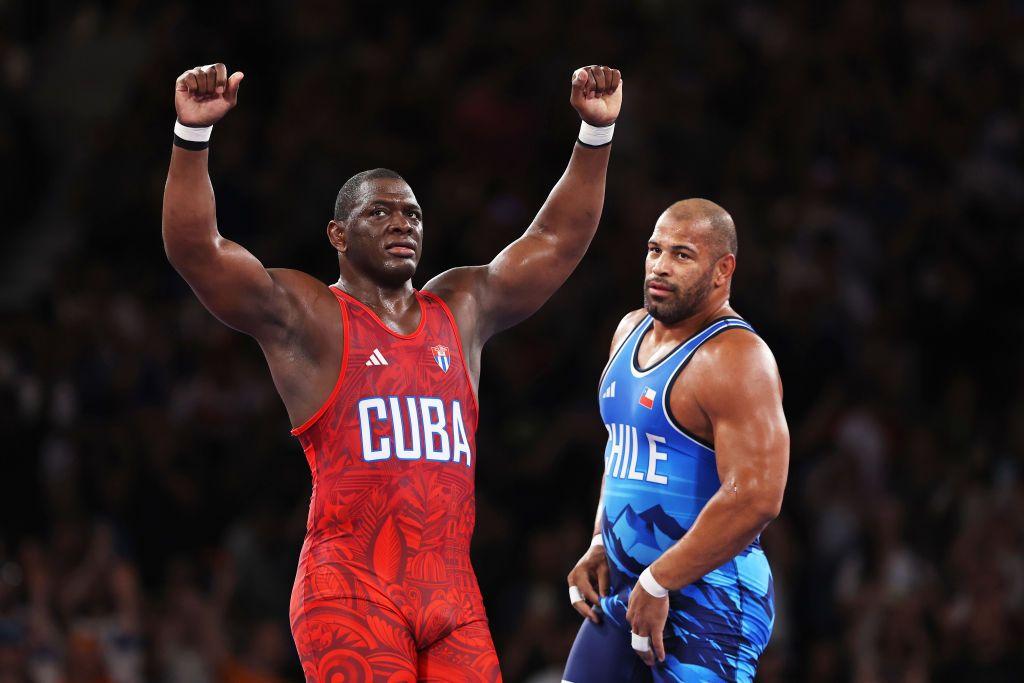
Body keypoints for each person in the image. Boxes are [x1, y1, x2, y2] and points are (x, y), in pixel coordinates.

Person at [161, 62, 621, 682]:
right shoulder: (312, 314)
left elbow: (556, 242)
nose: (402, 222)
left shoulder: (461, 308)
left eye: (411, 214)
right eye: (380, 213)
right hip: (349, 588)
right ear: (337, 235)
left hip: (452, 594)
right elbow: (200, 253)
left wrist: (595, 134)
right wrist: (192, 139)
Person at [562, 199, 789, 682]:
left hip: (713, 598)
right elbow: (622, 450)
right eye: (654, 250)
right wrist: (602, 539)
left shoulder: (737, 357)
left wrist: (660, 579)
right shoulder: (629, 330)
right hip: (631, 587)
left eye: (682, 255)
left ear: (721, 270)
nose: (660, 267)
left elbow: (756, 498)